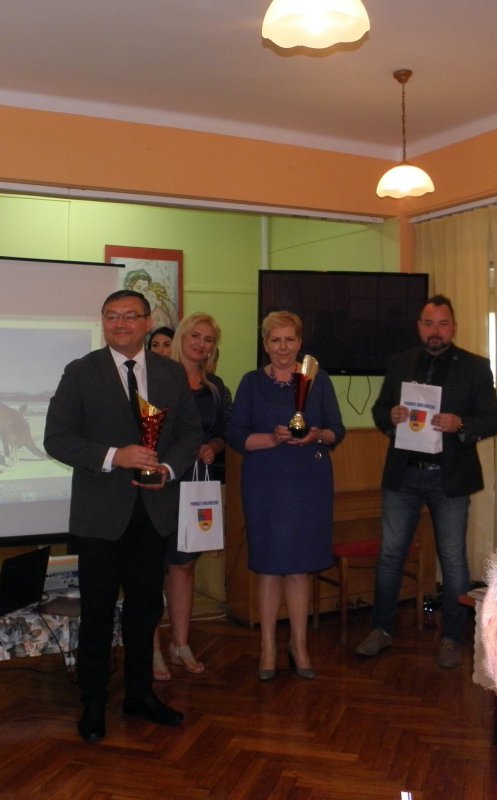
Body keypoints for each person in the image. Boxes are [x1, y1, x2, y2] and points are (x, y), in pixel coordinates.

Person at [44, 290, 203, 743]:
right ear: (103, 322)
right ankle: (93, 704)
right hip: (100, 517)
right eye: (111, 316)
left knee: (145, 611)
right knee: (97, 613)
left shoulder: (170, 373)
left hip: (153, 512)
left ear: (147, 322)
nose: (120, 323)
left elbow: (190, 433)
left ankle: (139, 695)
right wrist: (117, 456)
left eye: (130, 316)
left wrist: (166, 468)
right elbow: (57, 438)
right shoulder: (81, 372)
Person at [356, 294, 497, 668]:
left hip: (449, 479)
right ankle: (381, 629)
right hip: (403, 475)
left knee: (452, 559)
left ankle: (452, 637)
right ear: (419, 327)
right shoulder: (399, 363)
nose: (436, 331)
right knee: (390, 555)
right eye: (429, 323)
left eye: (443, 324)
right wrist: (391, 416)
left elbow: (491, 417)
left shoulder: (476, 367)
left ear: (454, 327)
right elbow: (379, 411)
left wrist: (461, 424)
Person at [227, 310, 345, 680]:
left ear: (300, 342)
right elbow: (236, 435)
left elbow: (337, 429)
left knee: (299, 566)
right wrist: (271, 438)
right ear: (265, 344)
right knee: (269, 566)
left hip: (309, 481)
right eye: (275, 340)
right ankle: (267, 646)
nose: (283, 347)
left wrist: (318, 435)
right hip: (265, 482)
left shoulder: (317, 379)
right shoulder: (251, 382)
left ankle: (299, 644)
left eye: (289, 339)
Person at [152, 312, 232, 680]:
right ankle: (150, 647)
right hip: (159, 485)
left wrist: (213, 446)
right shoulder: (155, 380)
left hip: (198, 486)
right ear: (182, 337)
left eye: (208, 339)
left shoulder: (216, 388)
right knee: (152, 568)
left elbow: (224, 432)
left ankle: (180, 643)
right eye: (194, 336)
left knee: (184, 566)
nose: (200, 343)